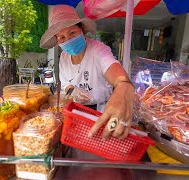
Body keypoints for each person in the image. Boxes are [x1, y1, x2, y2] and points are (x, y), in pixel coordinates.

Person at [40, 5, 134, 140]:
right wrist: (73, 91)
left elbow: (116, 72)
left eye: (72, 33)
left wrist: (124, 85)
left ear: (82, 30)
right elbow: (66, 83)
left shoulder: (98, 50)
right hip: (76, 113)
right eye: (61, 37)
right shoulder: (64, 57)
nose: (68, 40)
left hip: (102, 112)